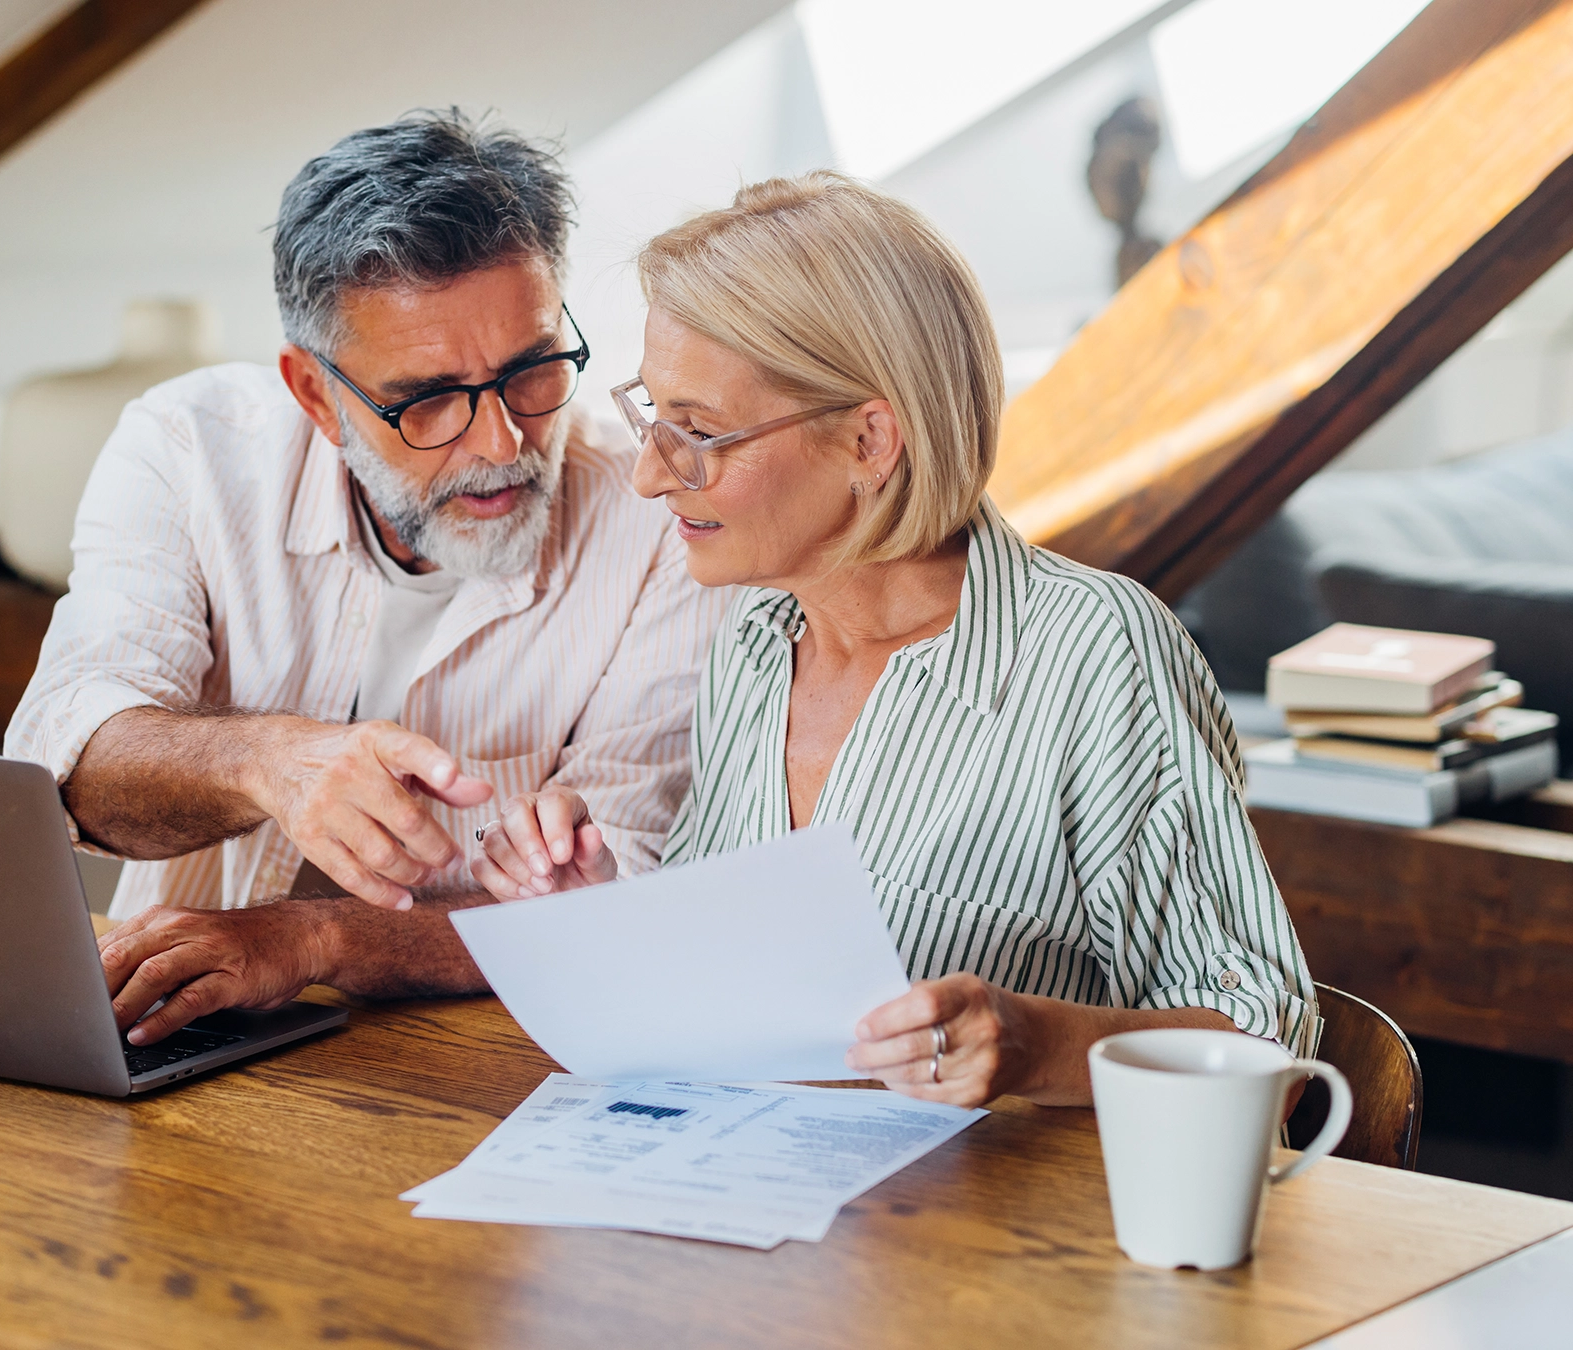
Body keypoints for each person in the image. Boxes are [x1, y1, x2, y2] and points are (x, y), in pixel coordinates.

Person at [474, 173, 1321, 1110]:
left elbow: (1267, 1052)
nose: (648, 476)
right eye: (652, 417)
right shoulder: (753, 640)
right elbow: (735, 997)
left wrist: (1038, 1047)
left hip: (1014, 1203)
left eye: (698, 432)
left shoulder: (1097, 656)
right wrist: (596, 912)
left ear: (870, 442)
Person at [6, 112, 725, 1046]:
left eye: (534, 371)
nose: (501, 442)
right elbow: (68, 764)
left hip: (496, 1056)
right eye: (428, 400)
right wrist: (268, 760)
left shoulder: (659, 516)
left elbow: (619, 888)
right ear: (316, 394)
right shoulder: (189, 450)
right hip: (175, 1039)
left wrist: (315, 940)